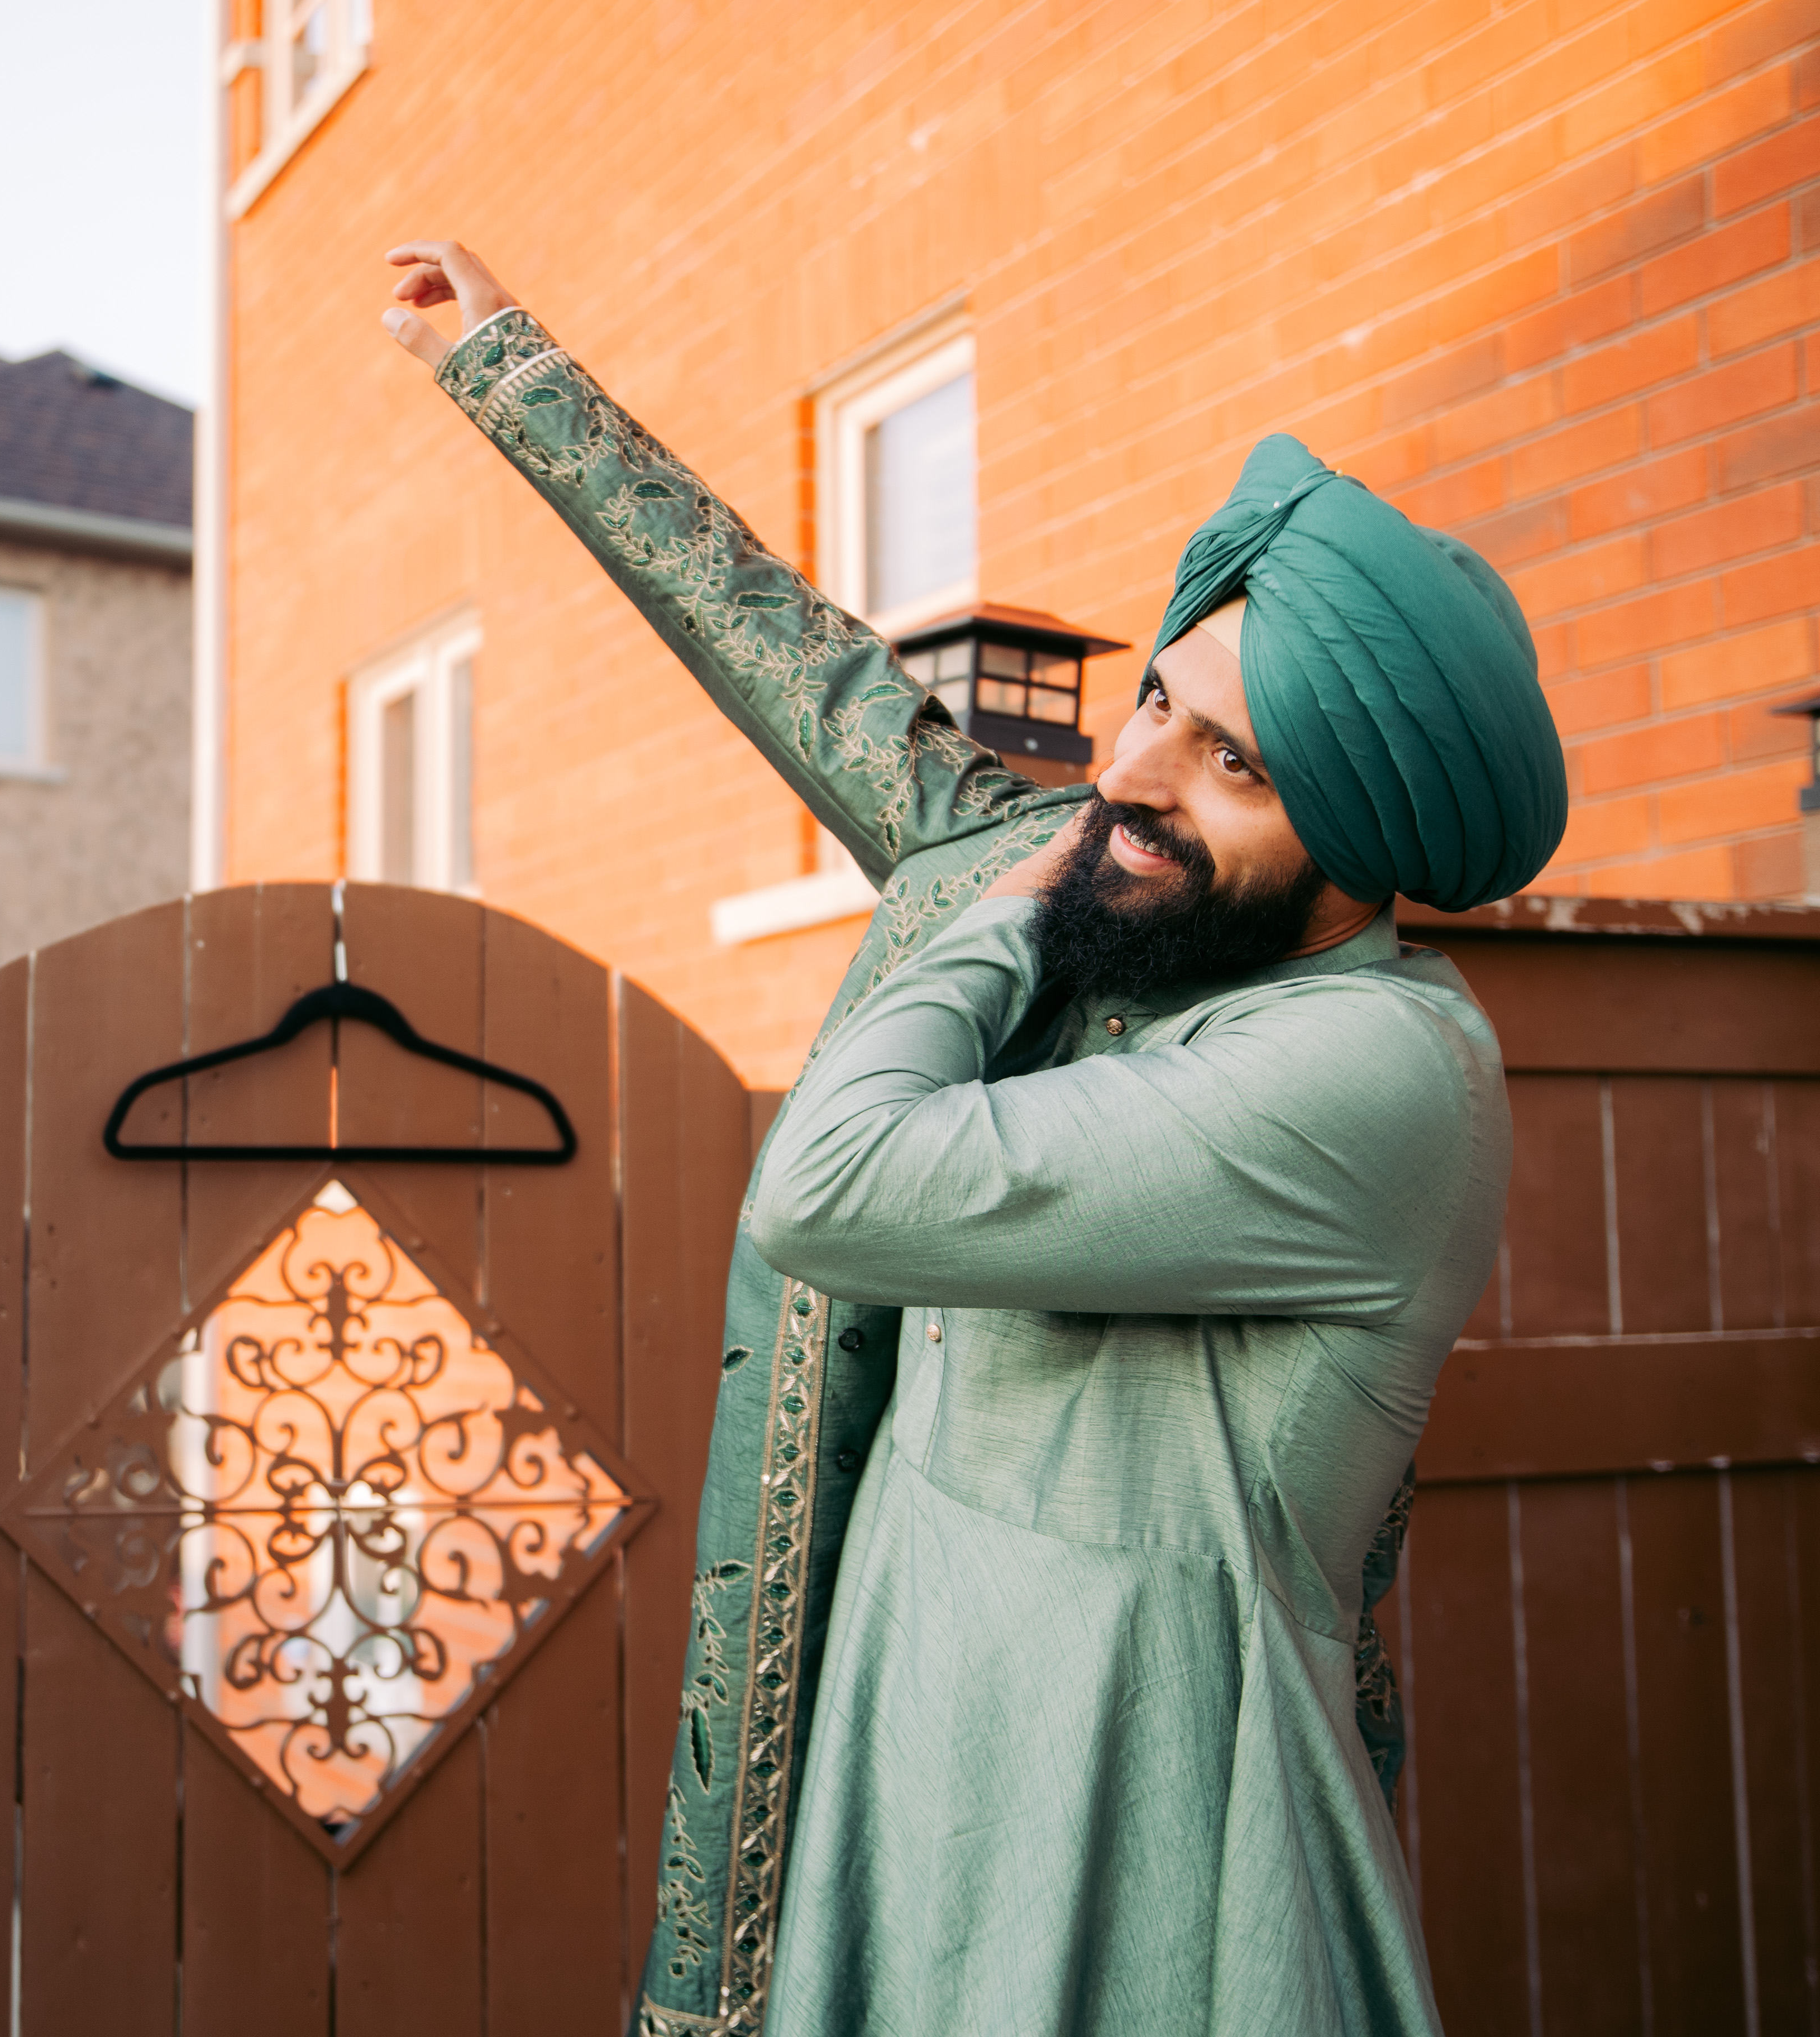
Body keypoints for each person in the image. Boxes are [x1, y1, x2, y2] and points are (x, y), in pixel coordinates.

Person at [380, 242, 1566, 2036]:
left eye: (1237, 765)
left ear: (1369, 840)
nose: (1135, 777)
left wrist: (1007, 907)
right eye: (1156, 700)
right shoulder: (1145, 907)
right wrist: (500, 361)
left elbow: (832, 1186)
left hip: (1154, 1810)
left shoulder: (1373, 1068)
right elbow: (810, 670)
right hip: (909, 1756)